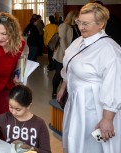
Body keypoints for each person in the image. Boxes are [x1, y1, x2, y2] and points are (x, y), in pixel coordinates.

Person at [57, 3, 121, 153]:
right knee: (76, 140)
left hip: (95, 107)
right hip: (77, 103)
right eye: (79, 22)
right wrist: (64, 84)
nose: (81, 27)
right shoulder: (78, 42)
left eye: (86, 24)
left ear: (101, 24)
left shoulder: (110, 50)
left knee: (94, 144)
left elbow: (115, 86)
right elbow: (69, 63)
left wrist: (107, 119)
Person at [0, 85, 51, 153]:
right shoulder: (5, 118)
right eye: (11, 107)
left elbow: (46, 151)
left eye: (18, 109)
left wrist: (27, 148)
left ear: (28, 106)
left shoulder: (39, 124)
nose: (13, 112)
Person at [51, 10, 80, 99]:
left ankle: (64, 91)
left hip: (73, 55)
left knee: (68, 74)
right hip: (62, 54)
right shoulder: (64, 26)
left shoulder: (75, 26)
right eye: (77, 17)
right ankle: (54, 91)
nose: (78, 19)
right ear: (72, 16)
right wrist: (66, 53)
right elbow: (62, 40)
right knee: (59, 74)